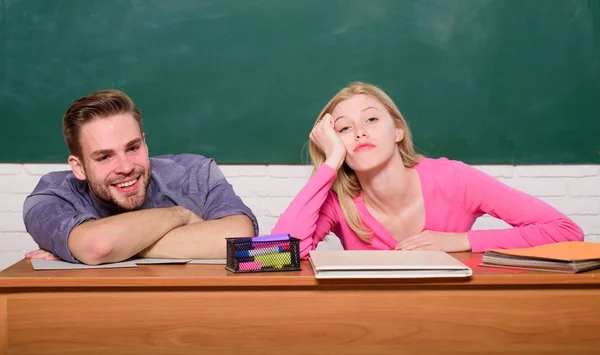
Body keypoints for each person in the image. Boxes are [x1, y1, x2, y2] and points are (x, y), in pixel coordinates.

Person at [272, 82, 583, 259]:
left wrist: (460, 241)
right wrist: (329, 166)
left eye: (371, 120)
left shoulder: (453, 179)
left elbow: (566, 232)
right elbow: (277, 254)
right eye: (344, 128)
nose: (359, 133)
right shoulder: (338, 199)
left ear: (398, 132)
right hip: (370, 321)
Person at [23, 89, 257, 265]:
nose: (125, 167)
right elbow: (100, 246)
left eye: (133, 148)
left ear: (144, 143)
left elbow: (240, 240)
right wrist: (181, 215)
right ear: (79, 167)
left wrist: (120, 245)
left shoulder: (193, 172)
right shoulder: (50, 196)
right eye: (105, 157)